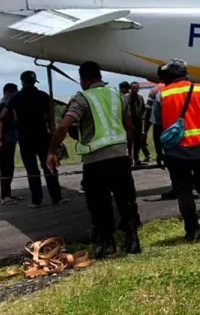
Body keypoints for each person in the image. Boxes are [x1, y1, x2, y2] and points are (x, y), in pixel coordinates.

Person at [48, 61, 141, 257]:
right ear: (100, 76)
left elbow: (64, 126)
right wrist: (130, 152)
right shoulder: (118, 96)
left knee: (100, 204)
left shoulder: (82, 99)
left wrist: (53, 151)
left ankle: (107, 244)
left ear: (84, 79)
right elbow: (129, 127)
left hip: (95, 162)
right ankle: (132, 240)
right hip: (120, 157)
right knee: (126, 201)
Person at [152, 59, 200, 241]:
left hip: (175, 153)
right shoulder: (199, 89)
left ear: (170, 75)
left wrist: (158, 152)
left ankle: (192, 231)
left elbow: (157, 127)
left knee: (183, 191)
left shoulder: (161, 95)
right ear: (185, 73)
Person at [0, 71, 66, 208]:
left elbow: (2, 117)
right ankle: (57, 197)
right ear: (35, 82)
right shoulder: (44, 96)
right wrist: (55, 138)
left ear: (22, 82)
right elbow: (51, 120)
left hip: (25, 137)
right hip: (43, 136)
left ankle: (36, 201)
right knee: (49, 167)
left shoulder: (15, 98)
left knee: (32, 169)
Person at [127, 81, 150, 166]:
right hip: (129, 123)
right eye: (134, 88)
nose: (135, 90)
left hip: (138, 123)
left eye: (137, 88)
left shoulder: (140, 98)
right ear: (130, 89)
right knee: (129, 143)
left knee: (137, 142)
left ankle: (136, 159)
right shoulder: (126, 98)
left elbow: (143, 108)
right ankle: (129, 160)